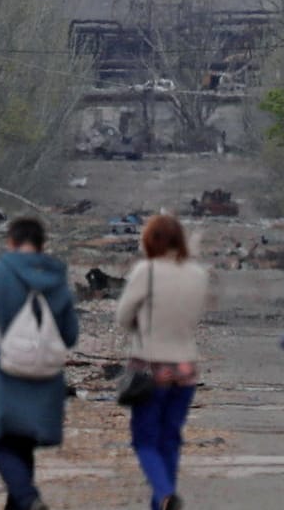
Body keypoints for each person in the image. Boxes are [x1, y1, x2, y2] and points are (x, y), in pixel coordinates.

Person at [0, 216, 80, 510]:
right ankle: (25, 501)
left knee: (1, 442)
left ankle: (28, 499)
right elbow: (70, 334)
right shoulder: (57, 277)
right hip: (44, 376)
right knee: (24, 447)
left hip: (1, 375)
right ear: (41, 244)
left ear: (11, 242)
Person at [114, 213, 208, 510]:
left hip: (152, 367)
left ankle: (165, 493)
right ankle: (163, 501)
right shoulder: (198, 274)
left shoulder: (147, 271)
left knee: (144, 438)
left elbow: (123, 316)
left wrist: (141, 328)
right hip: (186, 367)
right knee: (170, 437)